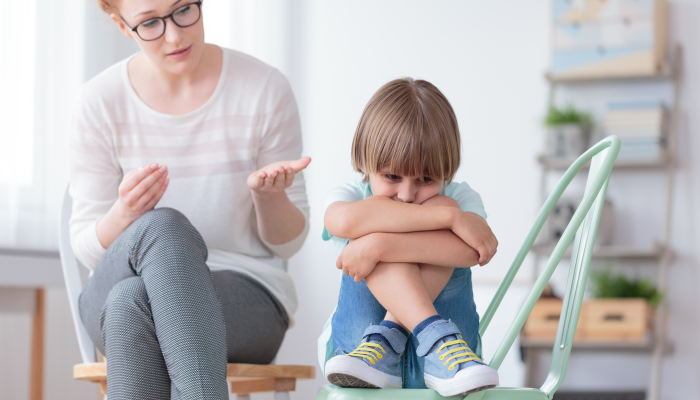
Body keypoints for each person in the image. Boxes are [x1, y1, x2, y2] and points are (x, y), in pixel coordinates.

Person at [69, 1, 309, 399]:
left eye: (183, 9)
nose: (175, 35)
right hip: (113, 288)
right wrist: (125, 213)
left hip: (244, 300)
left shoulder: (264, 89)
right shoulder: (98, 102)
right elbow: (86, 247)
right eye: (149, 23)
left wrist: (269, 198)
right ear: (122, 25)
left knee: (134, 303)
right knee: (161, 229)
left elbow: (288, 244)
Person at [320, 78, 500, 396]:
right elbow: (344, 221)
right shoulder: (351, 194)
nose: (406, 194)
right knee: (374, 218)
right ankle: (435, 334)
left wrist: (379, 245)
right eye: (392, 176)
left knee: (422, 220)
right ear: (365, 161)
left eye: (426, 179)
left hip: (447, 369)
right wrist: (449, 217)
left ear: (447, 171)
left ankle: (394, 338)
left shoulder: (460, 196)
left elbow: (475, 251)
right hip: (358, 360)